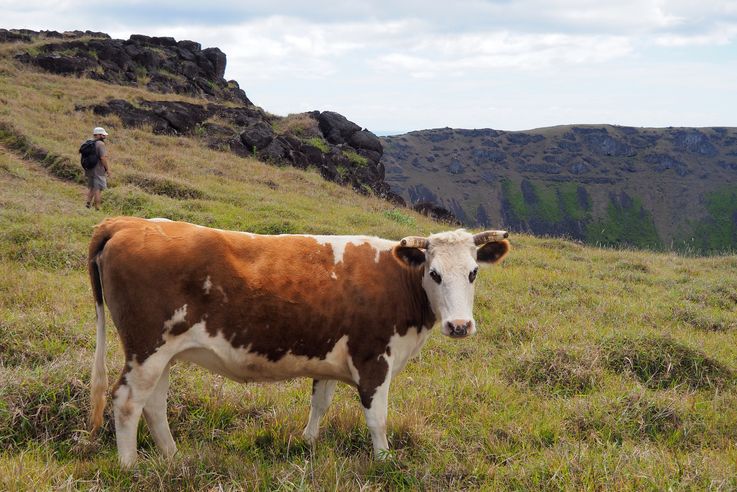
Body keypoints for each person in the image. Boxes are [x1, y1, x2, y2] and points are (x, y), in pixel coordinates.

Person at [85, 127, 110, 210]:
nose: (104, 136)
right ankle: (97, 208)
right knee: (98, 189)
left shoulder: (90, 142)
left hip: (89, 169)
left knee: (92, 187)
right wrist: (107, 169)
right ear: (98, 135)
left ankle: (88, 204)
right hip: (98, 170)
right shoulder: (101, 144)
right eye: (102, 134)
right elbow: (103, 158)